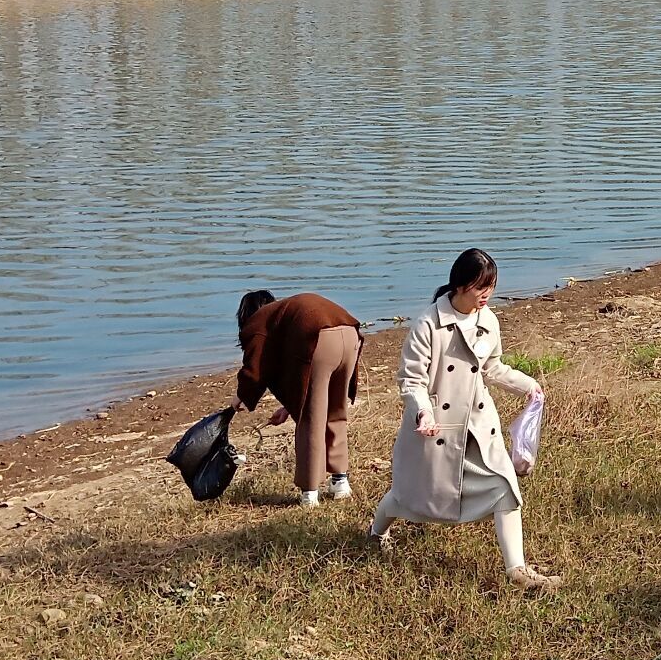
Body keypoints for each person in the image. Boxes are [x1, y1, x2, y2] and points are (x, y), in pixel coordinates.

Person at [373, 248, 559, 596]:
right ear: (459, 286)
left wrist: (528, 385)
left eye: (491, 286)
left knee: (505, 488)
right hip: (436, 426)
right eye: (479, 287)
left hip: (478, 424)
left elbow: (492, 368)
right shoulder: (428, 324)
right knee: (407, 495)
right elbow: (410, 380)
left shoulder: (488, 319)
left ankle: (517, 570)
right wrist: (423, 411)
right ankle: (376, 534)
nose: (486, 294)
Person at [236, 290, 364, 507]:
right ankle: (340, 482)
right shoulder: (289, 314)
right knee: (336, 412)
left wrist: (241, 396)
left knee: (310, 420)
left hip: (321, 338)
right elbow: (299, 377)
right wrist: (287, 407)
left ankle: (310, 493)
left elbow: (255, 367)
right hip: (350, 335)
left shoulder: (259, 320)